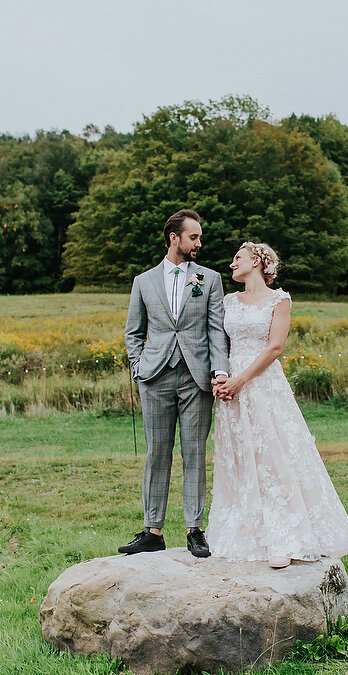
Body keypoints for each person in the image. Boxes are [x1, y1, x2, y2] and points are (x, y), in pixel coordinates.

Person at [207, 242, 348, 568]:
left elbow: (275, 346)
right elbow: (219, 342)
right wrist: (221, 378)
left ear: (257, 261)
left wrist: (241, 380)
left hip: (262, 384)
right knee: (238, 457)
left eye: (238, 258)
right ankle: (248, 531)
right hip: (232, 390)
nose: (232, 263)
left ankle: (285, 538)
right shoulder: (228, 301)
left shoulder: (279, 300)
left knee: (273, 458)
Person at [120, 209, 230, 558]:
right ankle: (152, 531)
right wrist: (139, 367)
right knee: (157, 453)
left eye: (198, 237)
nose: (199, 242)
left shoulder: (209, 279)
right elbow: (133, 332)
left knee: (194, 452)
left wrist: (219, 371)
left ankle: (194, 530)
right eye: (194, 237)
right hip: (155, 377)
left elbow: (216, 331)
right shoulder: (144, 281)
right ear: (174, 238)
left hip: (196, 379)